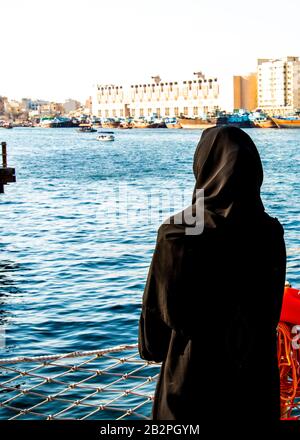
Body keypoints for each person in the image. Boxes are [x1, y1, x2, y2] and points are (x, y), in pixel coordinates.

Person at [138, 125, 286, 423]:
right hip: (255, 395)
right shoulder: (270, 232)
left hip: (191, 396)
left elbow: (152, 344)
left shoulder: (177, 234)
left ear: (203, 167)